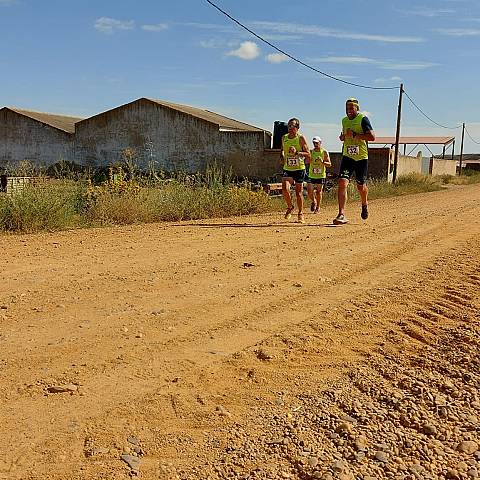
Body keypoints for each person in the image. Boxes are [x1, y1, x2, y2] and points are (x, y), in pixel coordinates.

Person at [334, 98, 375, 225]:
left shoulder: (363, 119)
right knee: (342, 182)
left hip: (361, 157)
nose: (349, 111)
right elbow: (346, 135)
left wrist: (355, 135)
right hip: (348, 156)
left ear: (357, 108)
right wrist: (343, 137)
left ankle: (364, 203)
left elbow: (372, 137)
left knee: (360, 186)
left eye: (351, 108)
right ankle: (341, 214)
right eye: (347, 108)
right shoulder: (344, 120)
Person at [281, 117, 310, 223]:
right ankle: (290, 207)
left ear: (297, 127)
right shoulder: (284, 138)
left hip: (299, 168)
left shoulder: (300, 138)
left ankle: (301, 213)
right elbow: (282, 149)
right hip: (288, 168)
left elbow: (308, 154)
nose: (289, 127)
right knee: (285, 189)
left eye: (291, 125)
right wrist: (282, 157)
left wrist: (297, 153)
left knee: (298, 193)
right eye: (288, 125)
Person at [307, 136, 331, 214]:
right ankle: (314, 201)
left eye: (317, 143)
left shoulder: (324, 152)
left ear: (320, 143)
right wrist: (308, 160)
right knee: (309, 191)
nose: (315, 144)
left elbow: (329, 164)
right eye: (314, 143)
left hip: (320, 175)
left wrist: (322, 162)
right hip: (311, 174)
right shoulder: (311, 152)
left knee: (318, 192)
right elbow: (306, 161)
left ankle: (318, 207)